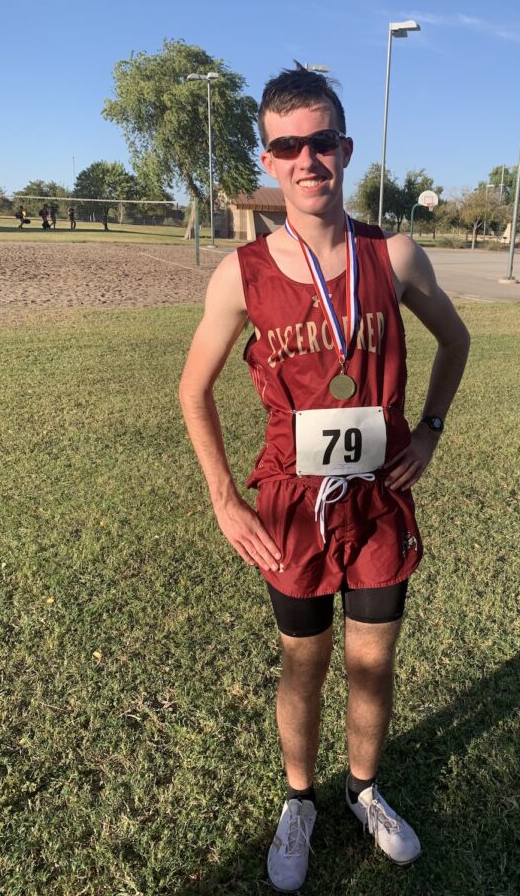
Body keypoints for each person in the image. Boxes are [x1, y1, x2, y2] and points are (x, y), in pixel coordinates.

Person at [179, 68, 470, 892]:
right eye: (287, 145)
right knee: (302, 662)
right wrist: (224, 496)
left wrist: (433, 431)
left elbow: (456, 342)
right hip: (291, 506)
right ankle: (299, 801)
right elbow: (190, 388)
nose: (308, 160)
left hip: (379, 498)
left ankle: (365, 790)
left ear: (346, 149)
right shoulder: (241, 273)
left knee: (373, 661)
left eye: (322, 142)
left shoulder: (395, 253)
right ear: (269, 159)